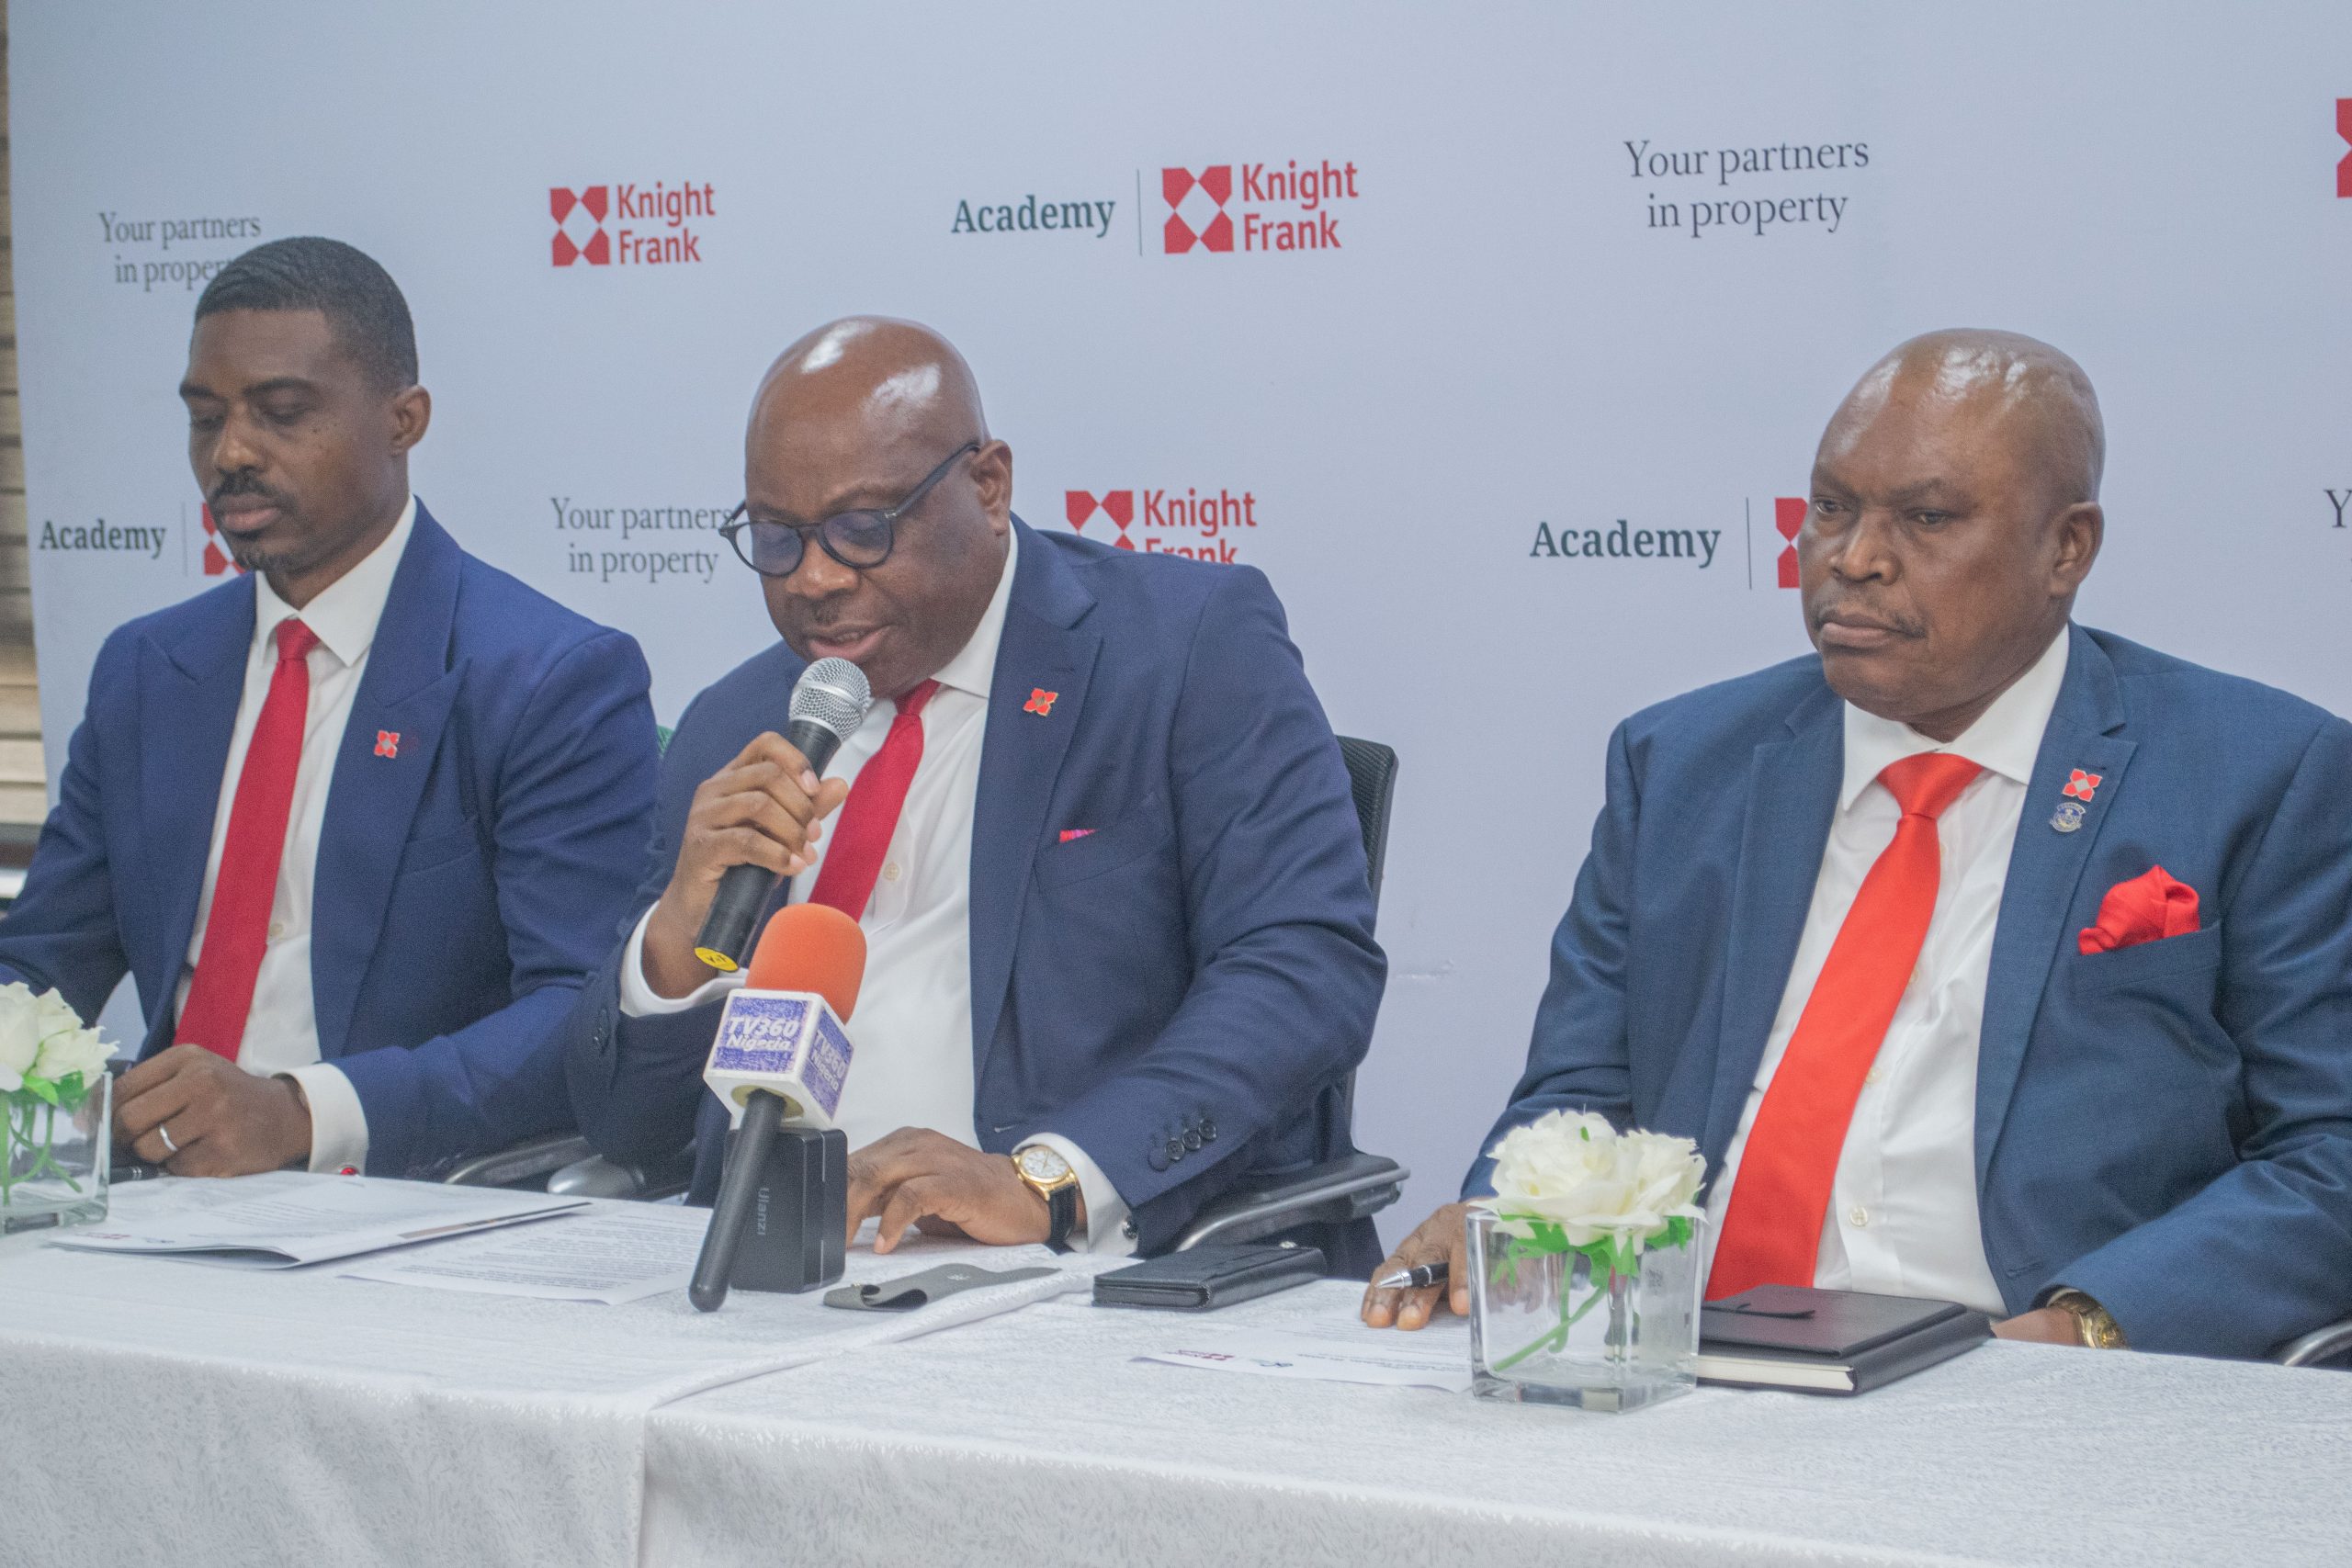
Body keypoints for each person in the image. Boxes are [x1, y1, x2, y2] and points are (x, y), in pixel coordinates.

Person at [1364, 330, 2352, 1358]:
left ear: (2066, 549)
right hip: (1673, 1362)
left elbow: (2331, 1150)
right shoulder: (1682, 764)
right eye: (1832, 508)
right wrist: (1504, 1215)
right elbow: (1580, 1098)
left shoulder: (2257, 774)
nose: (1853, 558)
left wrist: (2086, 1328)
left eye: (1926, 519)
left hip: (2017, 1366)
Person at [564, 317, 1385, 1270]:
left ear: (988, 486)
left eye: (862, 530)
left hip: (1073, 1271)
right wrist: (673, 945)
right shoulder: (737, 721)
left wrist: (1049, 1179)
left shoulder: (1183, 651)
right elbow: (626, 1125)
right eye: (778, 539)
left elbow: (1302, 971)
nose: (815, 579)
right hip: (764, 1265)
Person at [0, 237, 659, 1179]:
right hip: (150, 1190)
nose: (230, 453)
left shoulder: (548, 679)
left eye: (281, 414)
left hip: (401, 1198)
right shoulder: (146, 671)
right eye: (205, 419)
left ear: (403, 420)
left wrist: (303, 1112)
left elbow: (579, 1018)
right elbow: (37, 971)